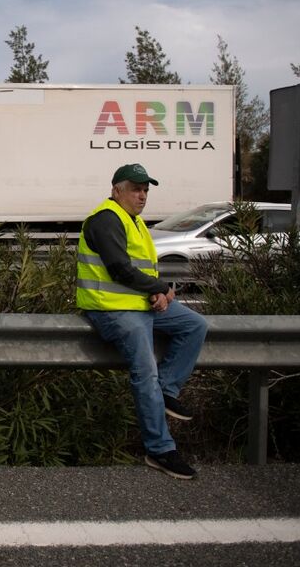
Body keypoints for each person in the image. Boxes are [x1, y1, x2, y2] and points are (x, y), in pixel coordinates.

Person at [76, 163, 208, 480]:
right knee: (145, 368)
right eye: (136, 189)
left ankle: (166, 390)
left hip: (139, 303)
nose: (142, 195)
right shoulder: (106, 219)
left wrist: (156, 295)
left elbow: (141, 272)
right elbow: (120, 269)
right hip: (110, 309)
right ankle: (160, 450)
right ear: (116, 189)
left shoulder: (133, 222)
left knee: (194, 326)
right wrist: (160, 289)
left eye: (146, 189)